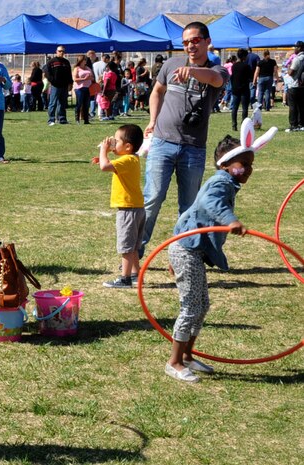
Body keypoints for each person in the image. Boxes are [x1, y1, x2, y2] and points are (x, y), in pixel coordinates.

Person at [164, 119, 275, 383]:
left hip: (191, 250)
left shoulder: (228, 182)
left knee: (202, 306)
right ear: (225, 165)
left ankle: (188, 356)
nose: (248, 170)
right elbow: (208, 202)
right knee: (191, 307)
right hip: (186, 249)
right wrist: (230, 220)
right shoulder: (221, 182)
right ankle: (174, 361)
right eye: (243, 165)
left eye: (251, 165)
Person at [141, 21, 228, 258]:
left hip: (193, 148)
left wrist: (192, 71)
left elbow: (214, 79)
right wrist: (152, 120)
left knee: (189, 207)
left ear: (207, 42)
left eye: (195, 41)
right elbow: (157, 92)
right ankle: (134, 255)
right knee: (152, 200)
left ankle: (184, 256)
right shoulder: (171, 64)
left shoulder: (218, 70)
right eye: (186, 42)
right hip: (162, 142)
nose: (190, 46)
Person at [94, 124, 145, 289]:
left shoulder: (127, 159)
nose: (113, 144)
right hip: (136, 208)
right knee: (134, 246)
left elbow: (104, 167)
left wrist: (103, 150)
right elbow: (107, 164)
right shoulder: (131, 159)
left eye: (116, 141)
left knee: (126, 247)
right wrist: (103, 156)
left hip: (128, 210)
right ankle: (137, 275)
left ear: (128, 146)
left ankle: (125, 278)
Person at [44, 45, 72, 126]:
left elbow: (69, 74)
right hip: (55, 86)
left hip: (64, 85)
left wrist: (70, 83)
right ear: (56, 52)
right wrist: (53, 81)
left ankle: (62, 119)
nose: (61, 52)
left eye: (63, 51)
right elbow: (47, 73)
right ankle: (51, 120)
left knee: (62, 103)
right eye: (60, 51)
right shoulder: (51, 62)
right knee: (53, 103)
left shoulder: (66, 62)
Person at [231, 49, 253, 131]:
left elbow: (233, 76)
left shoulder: (234, 66)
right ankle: (244, 125)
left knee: (235, 107)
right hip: (244, 89)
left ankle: (234, 125)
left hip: (235, 88)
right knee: (244, 108)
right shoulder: (246, 66)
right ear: (244, 56)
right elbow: (250, 76)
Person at [286, 41, 304, 132]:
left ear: (300, 48)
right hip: (302, 85)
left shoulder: (297, 59)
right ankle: (302, 124)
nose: (294, 49)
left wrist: (288, 67)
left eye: (296, 47)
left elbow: (291, 72)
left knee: (292, 106)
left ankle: (293, 124)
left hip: (295, 85)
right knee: (301, 105)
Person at [72, 54, 93, 124]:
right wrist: (84, 79)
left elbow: (92, 76)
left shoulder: (88, 68)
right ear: (81, 61)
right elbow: (75, 79)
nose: (85, 61)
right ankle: (77, 119)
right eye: (84, 59)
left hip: (87, 88)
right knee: (79, 103)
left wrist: (91, 78)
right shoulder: (76, 68)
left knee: (86, 104)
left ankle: (86, 120)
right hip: (79, 88)